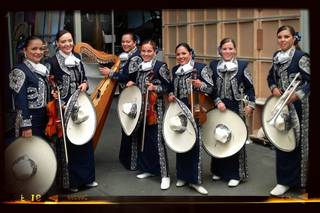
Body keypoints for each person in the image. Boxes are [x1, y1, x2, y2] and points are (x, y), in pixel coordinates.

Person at [47, 29, 98, 193]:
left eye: (70, 40)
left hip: (80, 105)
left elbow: (83, 78)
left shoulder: (77, 58)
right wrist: (59, 102)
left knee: (85, 140)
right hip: (64, 108)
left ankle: (88, 179)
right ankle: (73, 182)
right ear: (57, 44)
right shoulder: (52, 62)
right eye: (63, 41)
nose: (68, 44)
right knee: (70, 144)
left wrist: (85, 84)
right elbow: (50, 88)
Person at [267, 25, 310, 196]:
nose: (282, 40)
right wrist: (273, 88)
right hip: (281, 106)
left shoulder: (301, 57)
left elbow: (310, 82)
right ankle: (283, 181)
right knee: (282, 141)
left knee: (299, 144)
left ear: (294, 38)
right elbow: (271, 76)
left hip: (300, 107)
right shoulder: (276, 57)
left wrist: (297, 95)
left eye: (286, 36)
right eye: (280, 37)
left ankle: (300, 182)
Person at [208, 38, 256, 187]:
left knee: (235, 140)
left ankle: (236, 174)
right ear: (220, 50)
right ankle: (218, 171)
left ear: (235, 50)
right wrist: (217, 101)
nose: (227, 51)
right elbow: (210, 88)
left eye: (230, 49)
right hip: (219, 107)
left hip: (236, 108)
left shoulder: (242, 66)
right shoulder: (213, 65)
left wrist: (251, 105)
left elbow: (250, 88)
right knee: (219, 136)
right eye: (225, 49)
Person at [125, 39, 171, 190]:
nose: (146, 54)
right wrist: (132, 84)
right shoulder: (138, 67)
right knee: (142, 138)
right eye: (143, 51)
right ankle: (148, 169)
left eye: (149, 51)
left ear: (155, 52)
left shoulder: (160, 66)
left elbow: (167, 86)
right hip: (140, 108)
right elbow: (134, 83)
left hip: (155, 108)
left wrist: (154, 88)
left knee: (156, 140)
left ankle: (164, 175)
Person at [168, 43, 212, 195]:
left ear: (190, 54)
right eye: (178, 54)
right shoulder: (175, 70)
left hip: (195, 110)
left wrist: (201, 85)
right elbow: (172, 90)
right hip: (180, 110)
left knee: (194, 144)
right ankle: (182, 176)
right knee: (181, 142)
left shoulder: (200, 68)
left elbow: (212, 88)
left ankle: (195, 180)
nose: (180, 57)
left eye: (184, 53)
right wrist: (171, 95)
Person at [99, 32, 142, 171]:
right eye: (123, 41)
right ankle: (127, 159)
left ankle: (132, 161)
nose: (125, 44)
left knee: (131, 125)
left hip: (132, 94)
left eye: (128, 42)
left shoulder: (135, 58)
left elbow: (129, 77)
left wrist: (110, 73)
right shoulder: (128, 56)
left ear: (134, 43)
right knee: (127, 124)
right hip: (127, 93)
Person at [9, 35, 50, 140]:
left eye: (41, 49)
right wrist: (26, 126)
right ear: (24, 50)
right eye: (34, 48)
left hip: (44, 119)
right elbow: (20, 100)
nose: (38, 52)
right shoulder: (19, 71)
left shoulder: (42, 69)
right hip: (30, 121)